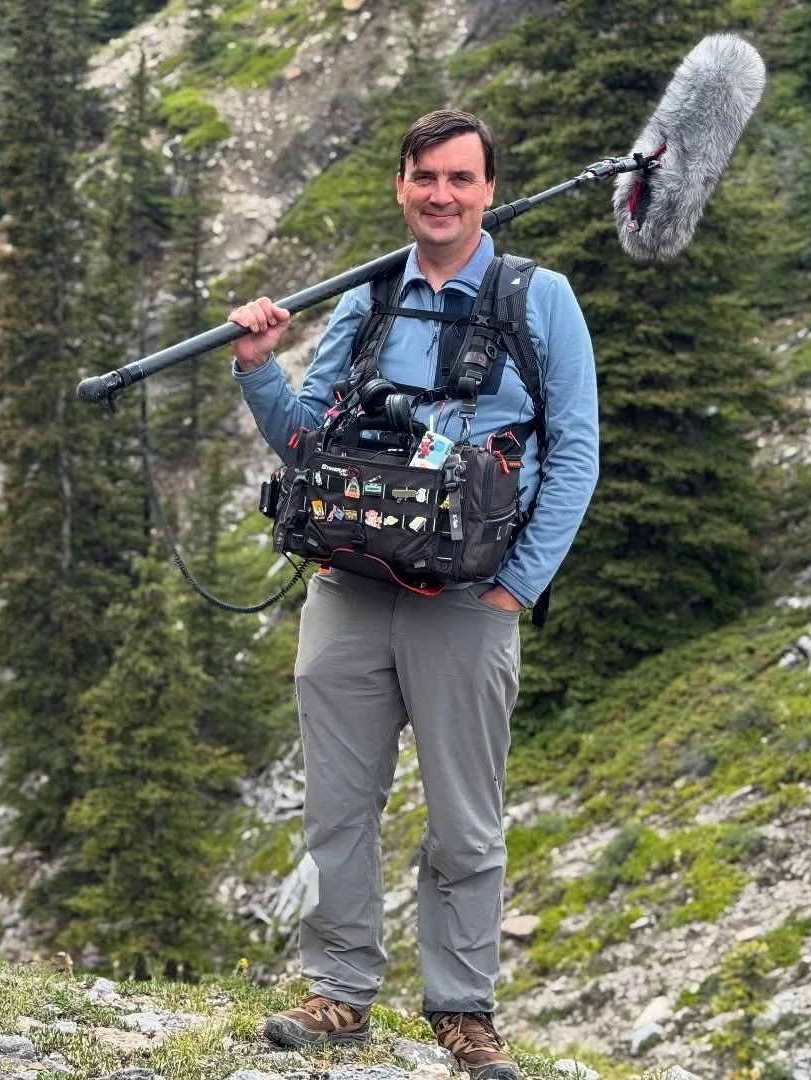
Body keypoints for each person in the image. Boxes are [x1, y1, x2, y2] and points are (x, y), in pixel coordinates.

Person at [228, 110, 600, 1080]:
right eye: (425, 177)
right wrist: (259, 370)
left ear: (487, 191)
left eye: (461, 180)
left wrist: (519, 585)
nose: (441, 195)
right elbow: (306, 437)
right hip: (346, 587)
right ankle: (341, 993)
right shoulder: (368, 295)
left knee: (464, 818)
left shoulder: (539, 298)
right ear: (401, 185)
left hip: (468, 598)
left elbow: (575, 452)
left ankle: (463, 1013)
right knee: (338, 807)